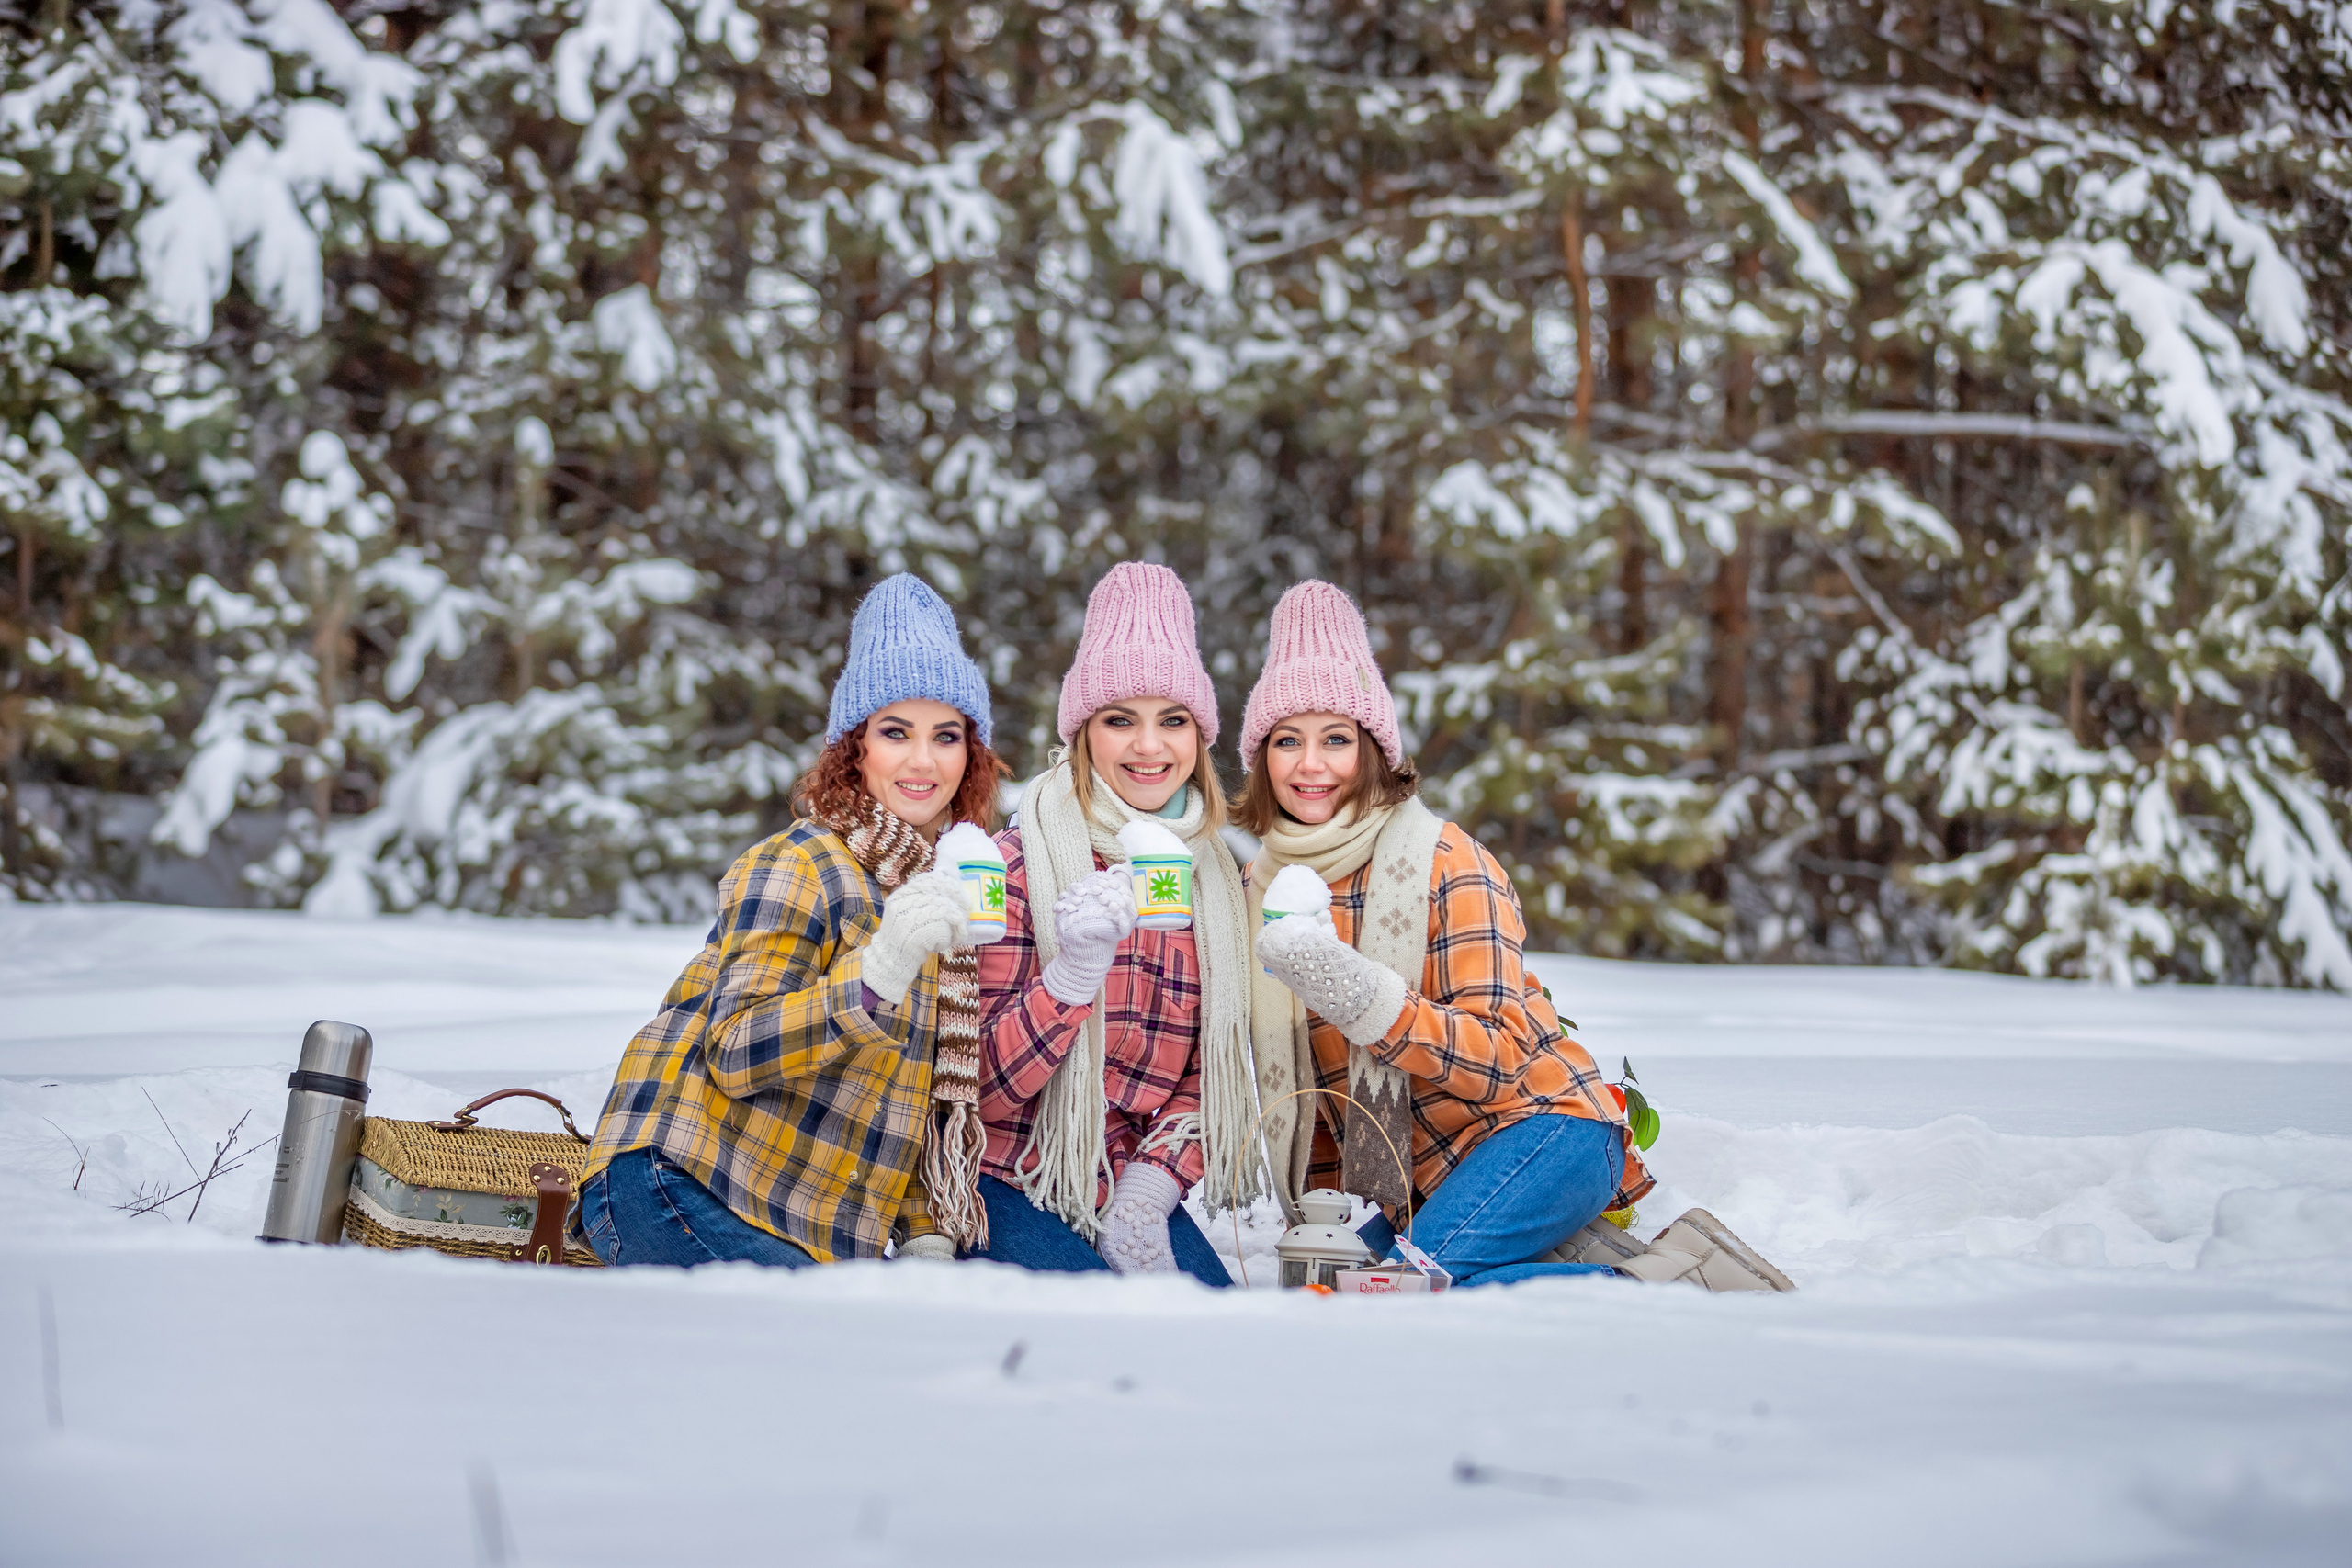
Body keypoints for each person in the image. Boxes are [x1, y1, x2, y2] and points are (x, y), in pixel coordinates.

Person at [1239, 581, 1790, 1290]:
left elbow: (1496, 1058)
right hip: (1427, 1189)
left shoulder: (1444, 859)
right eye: (1288, 740)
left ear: (1374, 749)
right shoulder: (1264, 891)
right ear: (1263, 757)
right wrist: (1328, 1217)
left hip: (1547, 1131)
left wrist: (1365, 999)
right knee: (1361, 1287)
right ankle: (1635, 1263)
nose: (1311, 764)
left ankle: (1674, 1289)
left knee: (1397, 1292)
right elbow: (1321, 1103)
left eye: (1336, 738)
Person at [572, 573, 1001, 1268]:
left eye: (946, 736)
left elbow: (920, 1086)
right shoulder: (801, 862)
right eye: (896, 731)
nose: (924, 760)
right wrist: (876, 975)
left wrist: (925, 1231)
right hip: (678, 1183)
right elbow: (736, 1051)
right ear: (854, 746)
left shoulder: (942, 889)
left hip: (811, 1230)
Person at [970, 563, 1253, 1285]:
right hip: (1006, 1173)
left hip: (1126, 1178)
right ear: (1083, 733)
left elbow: (1210, 1075)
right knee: (1112, 1337)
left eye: (1173, 720)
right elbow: (975, 1090)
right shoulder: (1018, 865)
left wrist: (1150, 1188)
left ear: (1201, 735)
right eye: (1120, 719)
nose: (1148, 747)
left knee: (1224, 1337)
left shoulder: (1218, 883)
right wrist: (1070, 977)